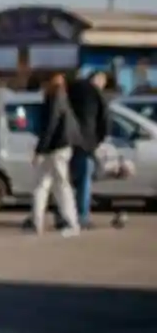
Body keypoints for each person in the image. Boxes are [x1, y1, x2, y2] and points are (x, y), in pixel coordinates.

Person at [30, 73, 81, 236]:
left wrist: (40, 150)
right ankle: (71, 223)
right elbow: (58, 125)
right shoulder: (61, 97)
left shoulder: (54, 98)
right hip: (60, 147)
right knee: (60, 186)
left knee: (44, 185)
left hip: (54, 148)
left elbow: (49, 126)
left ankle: (37, 222)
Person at [65, 70, 109, 229]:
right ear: (99, 80)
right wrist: (98, 140)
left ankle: (64, 215)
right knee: (84, 181)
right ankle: (82, 216)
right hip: (86, 143)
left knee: (65, 181)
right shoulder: (96, 93)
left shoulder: (70, 89)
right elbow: (105, 119)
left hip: (67, 141)